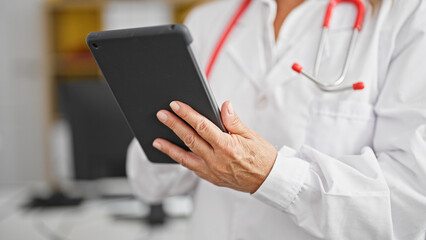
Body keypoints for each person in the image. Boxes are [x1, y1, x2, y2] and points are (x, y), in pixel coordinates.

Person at [127, 0, 426, 239]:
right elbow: (148, 185)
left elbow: (410, 203)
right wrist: (176, 139)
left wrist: (271, 175)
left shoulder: (407, 16)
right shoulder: (207, 21)